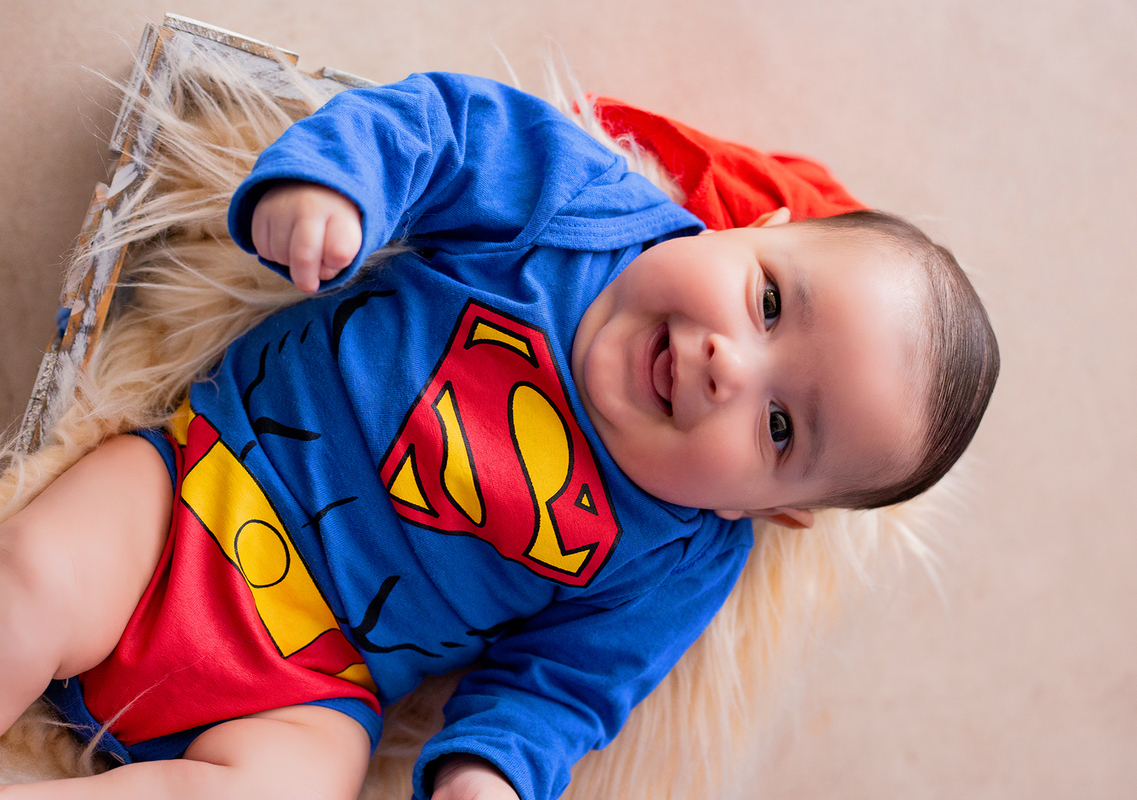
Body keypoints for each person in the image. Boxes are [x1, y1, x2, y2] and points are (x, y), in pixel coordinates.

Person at [0, 72, 998, 800]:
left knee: (301, 786)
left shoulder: (682, 558)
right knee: (35, 575)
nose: (728, 364)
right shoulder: (582, 210)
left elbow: (562, 688)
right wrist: (337, 188)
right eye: (769, 299)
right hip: (198, 488)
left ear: (771, 508)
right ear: (752, 225)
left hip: (316, 675)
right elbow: (442, 131)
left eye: (780, 425)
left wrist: (492, 770)